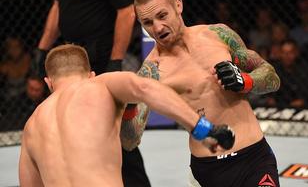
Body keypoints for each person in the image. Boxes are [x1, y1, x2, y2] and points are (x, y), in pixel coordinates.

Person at [19, 44, 234, 186]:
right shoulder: (99, 85)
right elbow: (146, 89)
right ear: (91, 74)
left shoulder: (31, 126)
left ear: (48, 83)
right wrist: (202, 128)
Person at [128, 0, 281, 186]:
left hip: (255, 158)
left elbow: (272, 78)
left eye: (162, 15)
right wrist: (128, 106)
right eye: (148, 23)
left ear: (178, 5)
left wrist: (245, 81)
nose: (157, 28)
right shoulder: (152, 72)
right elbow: (130, 140)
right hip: (210, 169)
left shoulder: (218, 34)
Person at [32, 0, 149, 186]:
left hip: (102, 60)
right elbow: (58, 7)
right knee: (76, 128)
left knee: (113, 131)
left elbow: (127, 11)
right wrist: (42, 47)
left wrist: (116, 60)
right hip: (74, 61)